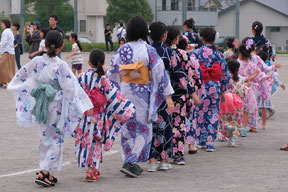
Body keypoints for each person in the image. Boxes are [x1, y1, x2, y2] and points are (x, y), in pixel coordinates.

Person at [7, 30, 93, 187]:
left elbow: (22, 75)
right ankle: (44, 171)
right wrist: (83, 104)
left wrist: (14, 86)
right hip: (55, 105)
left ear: (44, 45)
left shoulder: (37, 61)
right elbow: (71, 87)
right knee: (55, 138)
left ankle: (46, 171)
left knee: (44, 136)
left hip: (41, 103)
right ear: (61, 47)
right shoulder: (60, 66)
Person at [106, 16, 174, 177]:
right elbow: (159, 74)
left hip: (125, 92)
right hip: (142, 93)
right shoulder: (149, 50)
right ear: (145, 31)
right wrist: (168, 97)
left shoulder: (122, 49)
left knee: (128, 128)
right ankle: (130, 162)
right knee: (143, 129)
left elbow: (113, 72)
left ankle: (130, 160)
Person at [75, 49, 135, 181]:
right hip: (97, 117)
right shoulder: (103, 80)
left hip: (84, 116)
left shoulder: (81, 77)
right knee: (96, 142)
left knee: (85, 141)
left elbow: (74, 95)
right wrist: (128, 108)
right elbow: (114, 98)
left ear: (89, 62)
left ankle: (88, 166)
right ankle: (92, 170)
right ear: (103, 63)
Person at [192, 27, 231, 152]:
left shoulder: (196, 53)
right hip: (214, 86)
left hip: (200, 87)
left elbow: (191, 70)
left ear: (201, 38)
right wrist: (223, 90)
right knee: (213, 113)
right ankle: (210, 142)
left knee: (199, 113)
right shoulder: (219, 54)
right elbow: (225, 73)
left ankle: (200, 140)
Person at [218, 59, 258, 146]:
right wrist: (247, 86)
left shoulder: (224, 77)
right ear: (237, 69)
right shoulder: (240, 79)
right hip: (237, 104)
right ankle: (232, 139)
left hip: (225, 102)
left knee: (223, 119)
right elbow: (243, 91)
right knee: (235, 122)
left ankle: (226, 129)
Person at [237, 38, 273, 132]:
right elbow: (261, 75)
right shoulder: (253, 65)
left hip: (239, 88)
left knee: (239, 106)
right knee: (252, 107)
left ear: (240, 54)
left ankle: (240, 125)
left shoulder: (237, 63)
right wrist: (268, 76)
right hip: (252, 89)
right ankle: (253, 126)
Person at [176, 35, 203, 155]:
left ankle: (176, 145)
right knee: (190, 118)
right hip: (189, 93)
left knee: (177, 120)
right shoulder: (192, 60)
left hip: (175, 92)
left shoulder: (174, 56)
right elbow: (197, 78)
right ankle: (191, 145)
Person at [0, 19, 15, 88]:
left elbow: (4, 42)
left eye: (2, 24)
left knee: (3, 67)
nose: (1, 25)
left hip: (6, 52)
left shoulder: (6, 32)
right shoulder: (10, 31)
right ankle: (7, 82)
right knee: (9, 68)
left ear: (6, 24)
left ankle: (8, 81)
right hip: (10, 51)